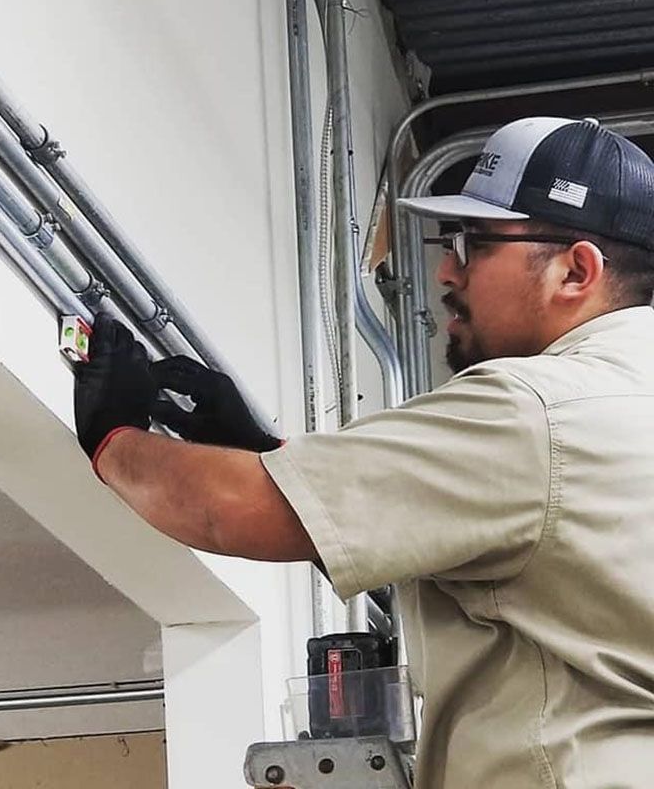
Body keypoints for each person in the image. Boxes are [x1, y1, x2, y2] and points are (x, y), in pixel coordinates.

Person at [72, 116, 654, 788]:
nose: (445, 269)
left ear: (575, 270)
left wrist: (113, 437)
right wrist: (262, 451)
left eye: (471, 244)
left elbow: (222, 510)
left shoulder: (538, 411)